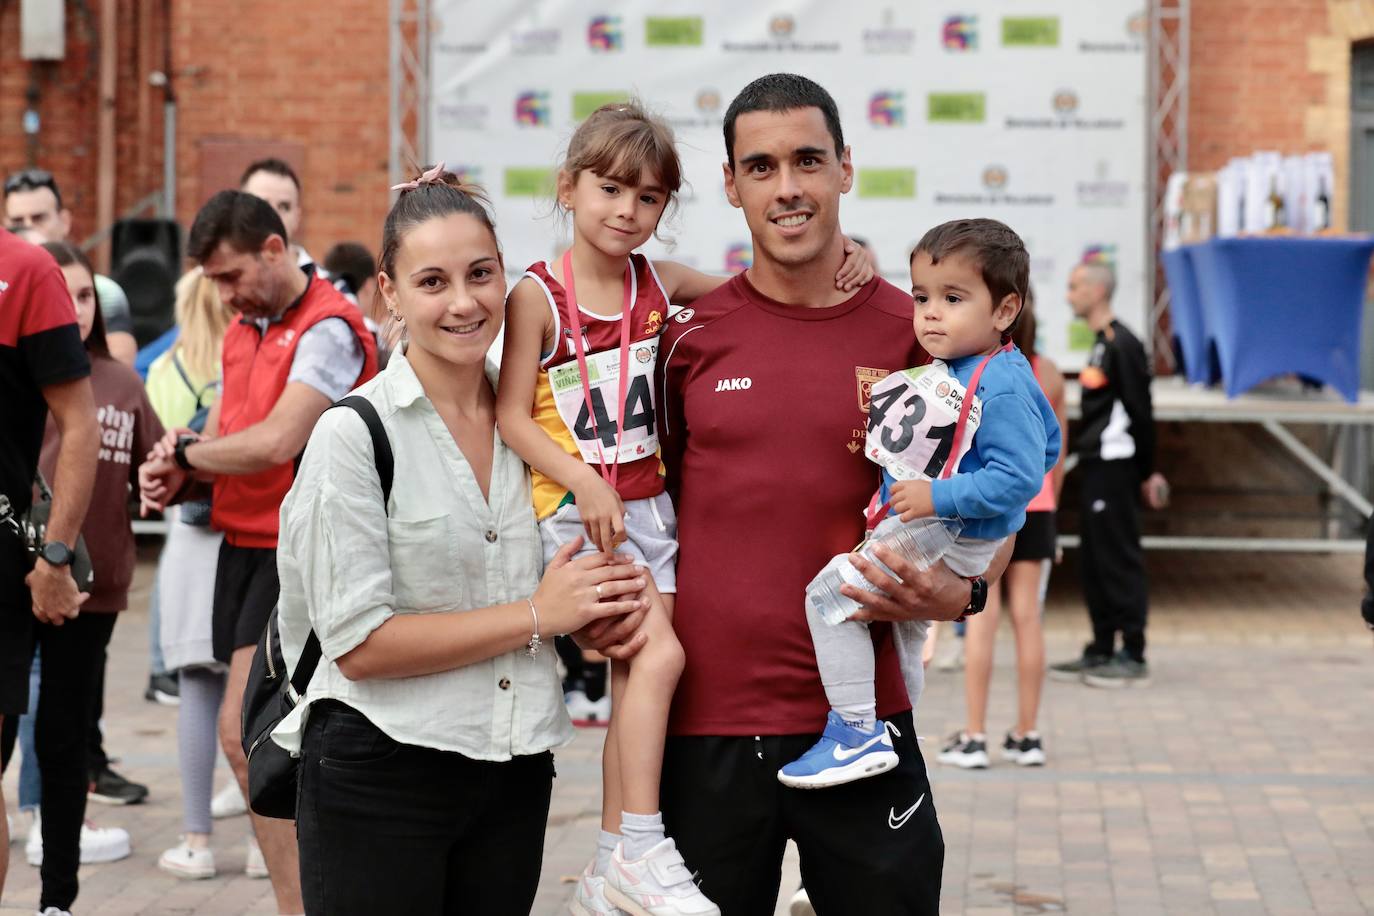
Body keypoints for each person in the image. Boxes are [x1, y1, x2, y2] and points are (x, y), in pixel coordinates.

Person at [497, 100, 871, 916]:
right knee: (660, 661)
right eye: (609, 191)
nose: (627, 212)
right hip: (582, 510)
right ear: (568, 188)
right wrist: (584, 481)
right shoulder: (539, 296)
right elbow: (509, 414)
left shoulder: (659, 284)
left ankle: (609, 861)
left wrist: (856, 258)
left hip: (651, 511)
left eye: (649, 198)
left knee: (639, 679)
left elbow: (756, 290)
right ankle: (637, 843)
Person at [655, 73, 1012, 915]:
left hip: (863, 732)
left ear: (845, 169)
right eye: (763, 166)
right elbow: (644, 503)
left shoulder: (919, 336)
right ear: (733, 182)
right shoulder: (686, 338)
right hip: (705, 725)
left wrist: (963, 593)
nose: (788, 188)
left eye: (808, 161)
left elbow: (991, 496)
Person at [273, 168, 650, 915]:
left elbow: (572, 599)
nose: (464, 302)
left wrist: (601, 612)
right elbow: (359, 644)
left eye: (481, 274)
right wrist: (541, 615)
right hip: (378, 769)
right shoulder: (353, 434)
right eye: (433, 281)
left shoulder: (542, 430)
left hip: (513, 771)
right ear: (390, 292)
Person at [138, 190, 378, 913]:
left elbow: (278, 440)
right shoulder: (246, 325)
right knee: (263, 747)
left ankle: (316, 899)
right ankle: (304, 900)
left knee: (256, 742)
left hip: (300, 551)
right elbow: (232, 441)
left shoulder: (329, 327)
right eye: (213, 279)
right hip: (242, 547)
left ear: (276, 249)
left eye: (231, 275)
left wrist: (191, 451)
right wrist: (177, 471)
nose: (223, 293)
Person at [779, 218, 1058, 789]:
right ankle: (898, 731)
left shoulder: (998, 381)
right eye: (922, 296)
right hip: (950, 527)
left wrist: (939, 494)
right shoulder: (977, 368)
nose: (931, 312)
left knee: (828, 596)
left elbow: (1022, 476)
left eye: (954, 299)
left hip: (947, 527)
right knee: (905, 631)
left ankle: (855, 732)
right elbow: (1047, 441)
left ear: (1004, 311)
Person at [16, 242, 165, 883]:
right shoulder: (22, 375)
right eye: (61, 293)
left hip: (93, 591)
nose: (74, 309)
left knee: (66, 734)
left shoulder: (123, 383)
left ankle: (58, 888)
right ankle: (28, 828)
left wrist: (176, 468)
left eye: (85, 296)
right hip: (18, 580)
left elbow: (156, 467)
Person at [0, 228, 99, 913]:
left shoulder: (25, 272)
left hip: (6, 565)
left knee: (61, 740)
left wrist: (55, 554)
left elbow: (80, 422)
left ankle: (54, 895)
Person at [939, 287, 1067, 769]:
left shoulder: (976, 372)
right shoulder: (1047, 373)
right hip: (1040, 504)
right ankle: (1028, 735)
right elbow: (1056, 452)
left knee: (981, 616)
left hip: (989, 506)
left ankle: (974, 736)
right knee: (1029, 617)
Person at [144, 267, 237, 879]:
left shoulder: (164, 371)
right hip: (247, 537)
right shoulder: (249, 358)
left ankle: (197, 840)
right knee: (259, 694)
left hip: (189, 539)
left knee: (198, 694)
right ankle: (265, 842)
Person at [1049, 262, 1168, 687]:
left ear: (1098, 291)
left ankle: (1132, 652)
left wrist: (1147, 472)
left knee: (1119, 558)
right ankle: (1101, 647)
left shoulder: (1125, 343)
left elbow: (1142, 413)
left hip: (1119, 467)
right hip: (1098, 465)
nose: (1069, 295)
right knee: (1095, 560)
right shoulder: (1101, 343)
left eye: (1075, 286)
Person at [4, 169, 138, 366]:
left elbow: (117, 373)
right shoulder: (4, 292)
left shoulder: (106, 292)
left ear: (64, 221)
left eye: (39, 218)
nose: (28, 227)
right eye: (17, 221)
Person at [241, 158, 314, 270]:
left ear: (297, 217)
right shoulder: (210, 279)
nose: (273, 215)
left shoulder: (330, 284)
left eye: (284, 207)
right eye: (262, 205)